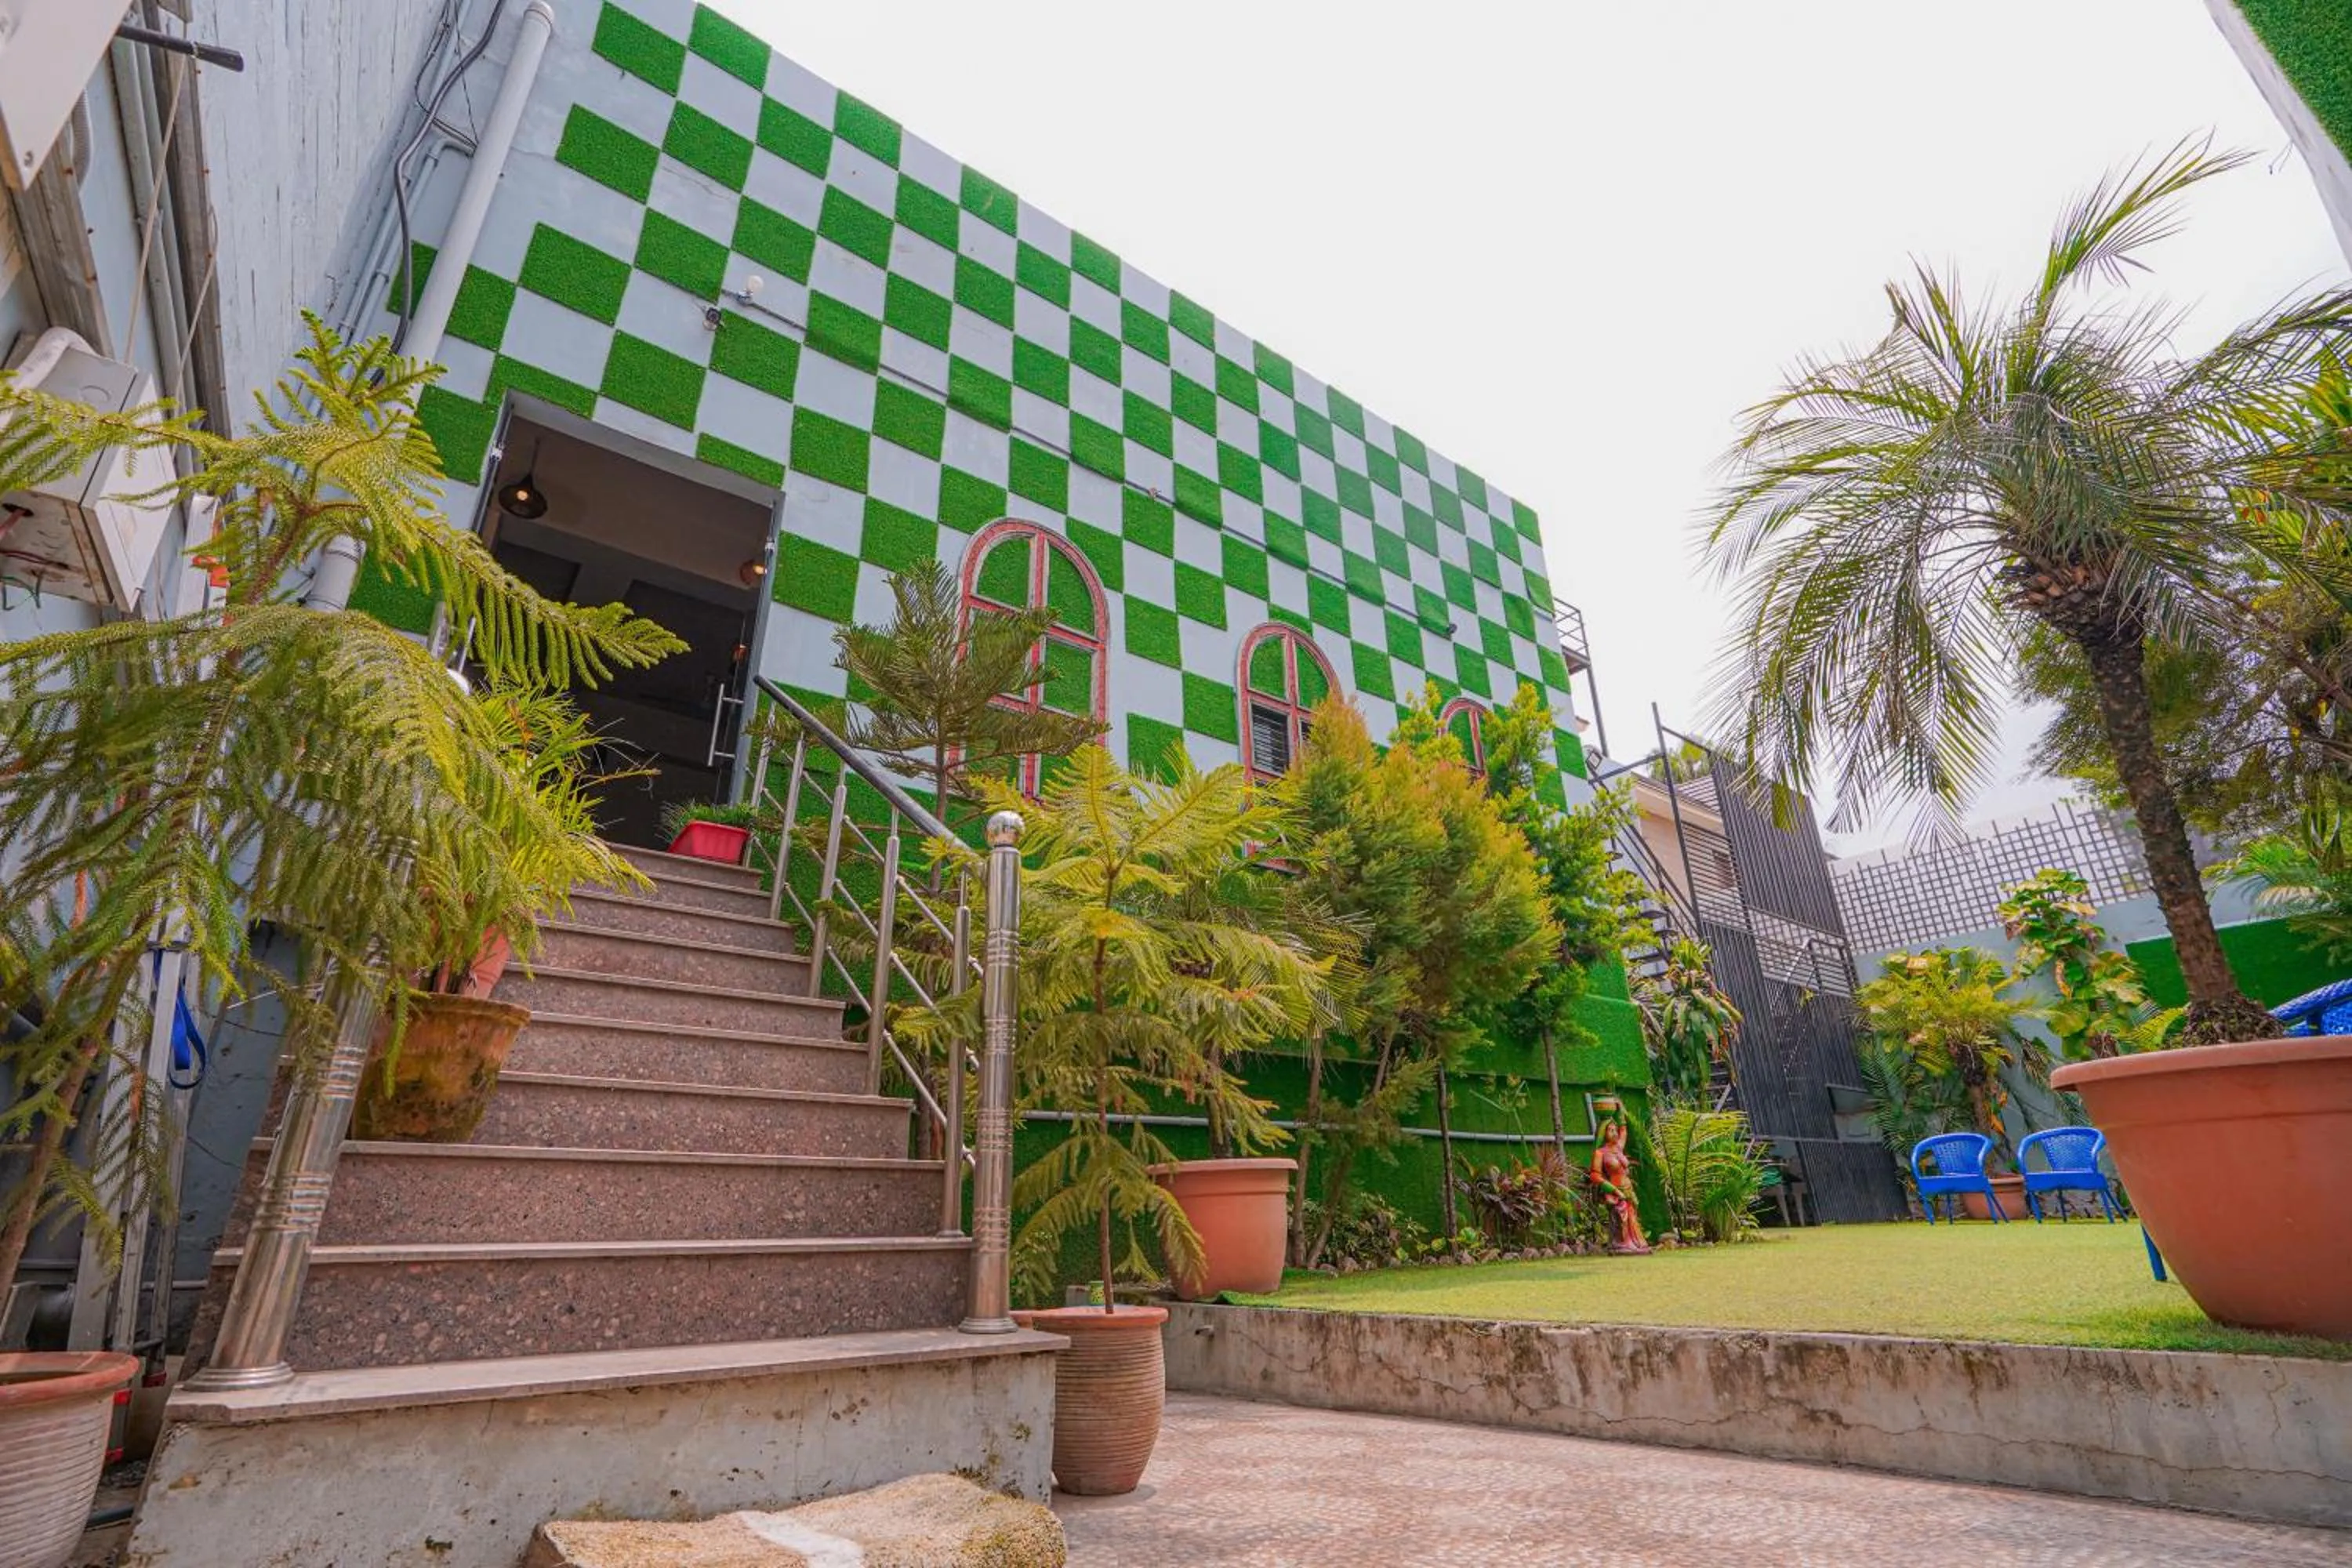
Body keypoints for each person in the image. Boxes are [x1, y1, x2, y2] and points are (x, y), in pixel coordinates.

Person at [1589, 1114, 1651, 1254]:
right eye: (1610, 1130)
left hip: (1628, 1189)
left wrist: (1619, 1107)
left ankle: (1636, 1244)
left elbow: (1624, 1130)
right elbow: (1594, 1175)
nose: (1615, 1133)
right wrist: (1613, 1190)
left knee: (1632, 1217)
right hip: (1615, 1191)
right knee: (1620, 1216)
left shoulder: (1619, 1148)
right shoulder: (1600, 1153)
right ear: (1603, 1133)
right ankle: (1620, 1245)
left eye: (1615, 1130)